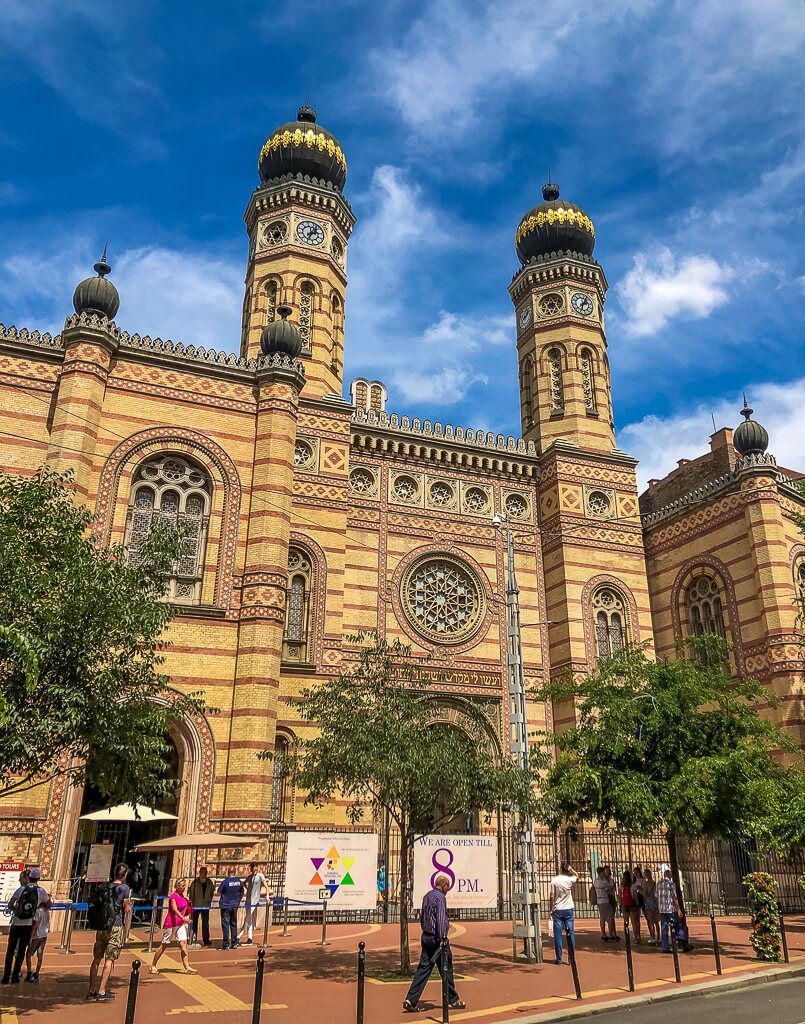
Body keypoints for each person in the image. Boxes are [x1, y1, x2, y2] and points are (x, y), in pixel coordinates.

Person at [402, 874, 465, 1013]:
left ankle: (411, 999)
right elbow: (441, 918)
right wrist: (443, 937)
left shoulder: (427, 896)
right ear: (444, 886)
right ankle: (452, 1000)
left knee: (424, 968)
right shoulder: (440, 898)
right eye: (448, 887)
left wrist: (426, 930)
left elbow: (423, 916)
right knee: (446, 967)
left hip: (426, 936)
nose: (448, 890)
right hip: (437, 939)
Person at [88, 863, 132, 1002]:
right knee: (109, 959)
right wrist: (129, 903)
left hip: (102, 926)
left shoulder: (105, 887)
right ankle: (101, 991)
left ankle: (91, 990)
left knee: (96, 959)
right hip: (115, 926)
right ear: (124, 875)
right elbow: (127, 909)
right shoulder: (124, 888)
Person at [2, 867, 50, 985]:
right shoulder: (41, 892)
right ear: (38, 878)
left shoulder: (20, 890)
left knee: (10, 950)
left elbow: (10, 904)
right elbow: (49, 905)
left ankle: (6, 976)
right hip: (28, 925)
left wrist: (17, 912)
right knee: (21, 951)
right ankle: (15, 977)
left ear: (28, 878)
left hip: (16, 923)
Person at [150, 878, 196, 975]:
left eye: (184, 885)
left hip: (180, 924)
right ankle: (153, 965)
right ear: (177, 886)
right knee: (165, 944)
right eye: (181, 886)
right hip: (171, 923)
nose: (183, 887)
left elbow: (185, 909)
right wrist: (184, 919)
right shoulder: (173, 897)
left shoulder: (183, 897)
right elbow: (174, 910)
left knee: (183, 943)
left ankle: (186, 966)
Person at [549, 863, 578, 965]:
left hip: (558, 909)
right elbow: (577, 876)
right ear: (567, 870)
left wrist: (551, 909)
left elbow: (552, 896)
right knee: (570, 934)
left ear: (560, 869)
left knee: (558, 935)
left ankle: (559, 958)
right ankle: (571, 958)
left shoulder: (554, 880)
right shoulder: (569, 880)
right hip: (568, 909)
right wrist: (572, 869)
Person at [24, 877, 52, 983]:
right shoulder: (46, 912)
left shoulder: (38, 912)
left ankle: (29, 972)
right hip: (44, 935)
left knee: (28, 954)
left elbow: (35, 925)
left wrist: (30, 937)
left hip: (37, 935)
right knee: (40, 955)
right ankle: (37, 972)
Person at [238, 862, 266, 945]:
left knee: (247, 917)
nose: (252, 869)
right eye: (251, 868)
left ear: (256, 868)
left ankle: (239, 935)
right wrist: (248, 889)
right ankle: (250, 938)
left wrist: (267, 896)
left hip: (254, 900)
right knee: (248, 919)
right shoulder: (250, 877)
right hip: (248, 900)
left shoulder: (260, 876)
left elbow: (266, 886)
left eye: (253, 867)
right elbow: (243, 883)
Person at [217, 867, 244, 950]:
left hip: (226, 905)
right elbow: (242, 892)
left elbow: (219, 892)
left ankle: (226, 944)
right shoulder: (239, 882)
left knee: (225, 925)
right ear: (235, 872)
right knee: (233, 924)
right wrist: (238, 900)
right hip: (235, 905)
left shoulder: (225, 882)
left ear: (228, 872)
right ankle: (234, 943)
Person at [189, 867, 215, 947]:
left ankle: (206, 939)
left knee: (205, 923)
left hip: (205, 905)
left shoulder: (209, 882)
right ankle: (193, 937)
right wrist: (192, 903)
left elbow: (211, 893)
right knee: (194, 922)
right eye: (203, 872)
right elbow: (191, 894)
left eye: (206, 872)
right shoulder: (195, 882)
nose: (205, 873)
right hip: (196, 905)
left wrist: (209, 901)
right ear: (200, 872)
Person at [592, 865, 619, 941]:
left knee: (604, 918)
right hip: (604, 901)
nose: (605, 873)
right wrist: (611, 887)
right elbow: (610, 887)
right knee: (610, 917)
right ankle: (610, 934)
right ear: (600, 873)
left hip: (603, 901)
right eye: (603, 872)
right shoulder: (600, 881)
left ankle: (607, 934)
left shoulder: (600, 880)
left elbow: (611, 888)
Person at [656, 868, 680, 954]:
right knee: (675, 925)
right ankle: (678, 942)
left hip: (662, 909)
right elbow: (674, 897)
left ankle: (664, 946)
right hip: (670, 908)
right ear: (669, 875)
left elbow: (656, 895)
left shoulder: (659, 884)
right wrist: (678, 909)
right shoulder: (671, 884)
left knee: (664, 927)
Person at [643, 868, 660, 944]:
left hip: (649, 903)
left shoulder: (646, 884)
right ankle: (658, 937)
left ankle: (653, 937)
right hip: (655, 902)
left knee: (651, 921)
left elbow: (644, 894)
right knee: (656, 922)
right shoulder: (654, 883)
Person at [629, 866, 645, 943]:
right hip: (633, 901)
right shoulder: (634, 882)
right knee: (633, 921)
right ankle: (636, 936)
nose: (635, 874)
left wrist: (638, 890)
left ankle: (638, 936)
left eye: (637, 872)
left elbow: (644, 891)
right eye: (634, 872)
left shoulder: (642, 881)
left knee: (636, 920)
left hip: (638, 901)